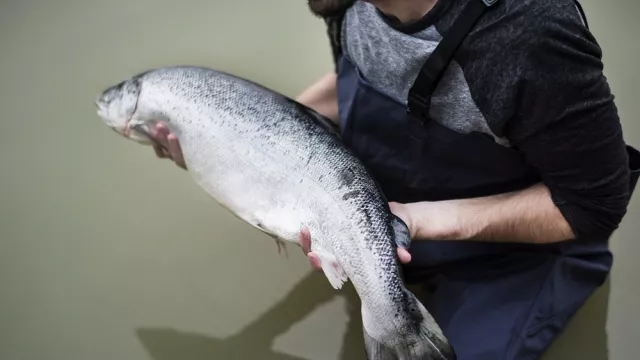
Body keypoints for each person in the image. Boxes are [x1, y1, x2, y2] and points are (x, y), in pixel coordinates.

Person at [147, 0, 640, 358]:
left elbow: (593, 204)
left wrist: (411, 222)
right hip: (386, 222)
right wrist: (242, 143)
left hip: (518, 257)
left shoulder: (527, 37)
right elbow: (358, 79)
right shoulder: (340, 4)